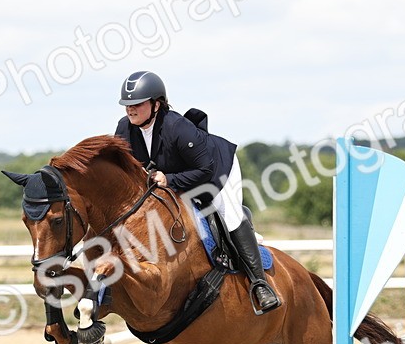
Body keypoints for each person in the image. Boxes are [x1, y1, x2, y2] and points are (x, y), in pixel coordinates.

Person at [113, 70, 281, 314]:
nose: (130, 110)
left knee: (230, 214)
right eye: (127, 105)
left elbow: (204, 169)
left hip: (217, 169)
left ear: (156, 104)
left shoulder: (177, 127)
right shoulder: (124, 128)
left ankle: (260, 284)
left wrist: (168, 178)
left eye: (137, 104)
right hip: (175, 175)